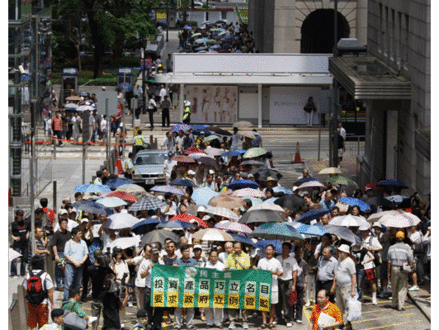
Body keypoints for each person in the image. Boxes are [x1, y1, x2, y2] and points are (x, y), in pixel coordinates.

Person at [23, 255, 55, 330]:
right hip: (42, 304)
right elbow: (49, 292)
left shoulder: (27, 275)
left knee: (32, 325)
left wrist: (29, 299)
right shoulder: (46, 275)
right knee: (43, 325)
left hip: (31, 304)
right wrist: (52, 304)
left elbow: (25, 290)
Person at [330, 244, 357, 330]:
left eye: (340, 252)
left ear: (345, 253)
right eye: (339, 251)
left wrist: (353, 289)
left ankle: (349, 324)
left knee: (348, 307)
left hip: (347, 287)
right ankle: (340, 323)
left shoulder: (350, 261)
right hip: (339, 286)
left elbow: (353, 276)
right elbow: (336, 274)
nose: (339, 253)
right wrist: (334, 285)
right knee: (339, 306)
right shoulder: (339, 260)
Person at [257, 244, 283, 330]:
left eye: (270, 250)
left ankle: (271, 322)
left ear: (273, 251)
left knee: (273, 305)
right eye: (267, 250)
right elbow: (258, 272)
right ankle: (264, 322)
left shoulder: (276, 261)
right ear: (265, 251)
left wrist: (276, 273)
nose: (268, 251)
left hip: (273, 286)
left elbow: (281, 272)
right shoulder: (261, 261)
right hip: (263, 286)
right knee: (263, 304)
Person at [225, 242, 251, 329]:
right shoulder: (230, 256)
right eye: (234, 248)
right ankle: (232, 321)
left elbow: (247, 268)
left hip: (243, 281)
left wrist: (238, 261)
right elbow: (226, 266)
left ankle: (244, 321)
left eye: (237, 248)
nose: (236, 250)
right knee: (232, 300)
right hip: (233, 281)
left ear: (241, 248)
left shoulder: (245, 256)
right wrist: (226, 269)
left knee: (243, 301)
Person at [387, 230, 414, 311]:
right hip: (403, 269)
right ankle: (401, 305)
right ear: (403, 238)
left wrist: (389, 272)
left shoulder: (391, 248)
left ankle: (394, 304)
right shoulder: (407, 248)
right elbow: (411, 260)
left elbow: (389, 261)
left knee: (394, 286)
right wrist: (410, 268)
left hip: (394, 268)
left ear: (396, 238)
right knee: (402, 287)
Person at [173, 245, 198, 330]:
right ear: (181, 252)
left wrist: (197, 269)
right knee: (178, 307)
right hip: (180, 287)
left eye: (188, 251)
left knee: (190, 307)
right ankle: (177, 325)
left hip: (190, 287)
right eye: (185, 251)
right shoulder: (177, 262)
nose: (187, 253)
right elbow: (174, 274)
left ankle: (190, 324)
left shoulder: (194, 262)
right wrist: (174, 268)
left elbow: (197, 274)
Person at [140, 247, 165, 330]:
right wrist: (148, 268)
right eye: (153, 254)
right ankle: (148, 324)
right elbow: (142, 276)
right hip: (149, 288)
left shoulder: (162, 263)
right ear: (150, 254)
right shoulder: (145, 262)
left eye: (157, 254)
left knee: (159, 308)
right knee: (148, 308)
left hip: (159, 289)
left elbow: (165, 274)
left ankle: (157, 325)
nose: (155, 256)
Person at [275, 242, 298, 327]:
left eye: (286, 248)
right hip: (279, 280)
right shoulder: (277, 258)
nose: (284, 249)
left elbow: (294, 272)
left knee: (287, 301)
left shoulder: (292, 260)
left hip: (288, 281)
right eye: (283, 248)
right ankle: (278, 318)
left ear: (289, 250)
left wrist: (294, 284)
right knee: (278, 300)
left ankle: (288, 319)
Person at [63, 227, 89, 302]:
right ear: (74, 234)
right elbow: (66, 254)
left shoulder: (83, 242)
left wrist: (81, 262)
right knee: (68, 284)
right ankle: (66, 301)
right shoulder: (69, 243)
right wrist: (74, 262)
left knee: (77, 284)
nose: (81, 234)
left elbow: (86, 254)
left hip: (80, 266)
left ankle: (75, 301)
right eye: (79, 233)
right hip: (70, 265)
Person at [204, 249, 226, 328]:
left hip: (218, 288)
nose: (213, 258)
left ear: (217, 257)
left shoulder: (222, 266)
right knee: (207, 305)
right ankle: (209, 322)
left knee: (218, 306)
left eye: (215, 256)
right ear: (209, 257)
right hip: (207, 288)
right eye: (212, 256)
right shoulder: (205, 264)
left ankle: (218, 322)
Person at [10, 209, 30, 277]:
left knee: (24, 259)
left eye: (22, 215)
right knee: (15, 258)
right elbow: (10, 234)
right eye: (20, 215)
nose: (21, 216)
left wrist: (27, 234)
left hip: (25, 243)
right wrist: (14, 238)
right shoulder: (14, 224)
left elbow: (29, 230)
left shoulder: (26, 223)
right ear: (17, 216)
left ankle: (22, 272)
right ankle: (13, 272)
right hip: (17, 244)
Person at [292, 246, 308, 324]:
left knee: (299, 301)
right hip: (292, 284)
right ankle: (291, 316)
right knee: (291, 301)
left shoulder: (304, 262)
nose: (299, 254)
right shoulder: (292, 261)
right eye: (298, 252)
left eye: (301, 252)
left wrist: (305, 283)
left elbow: (305, 273)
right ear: (295, 252)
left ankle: (298, 317)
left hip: (300, 284)